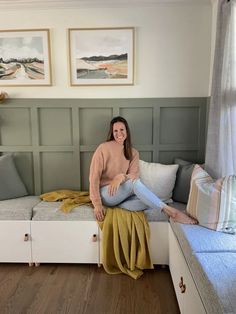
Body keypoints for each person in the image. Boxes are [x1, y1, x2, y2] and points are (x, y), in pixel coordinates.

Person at [89, 116, 197, 224]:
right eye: (115, 130)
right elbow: (94, 178)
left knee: (147, 201)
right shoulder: (103, 148)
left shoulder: (133, 152)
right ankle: (173, 213)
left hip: (121, 195)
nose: (119, 133)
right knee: (134, 184)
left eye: (122, 129)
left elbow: (134, 175)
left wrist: (121, 177)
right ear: (112, 133)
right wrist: (97, 205)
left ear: (127, 131)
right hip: (106, 193)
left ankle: (124, 205)